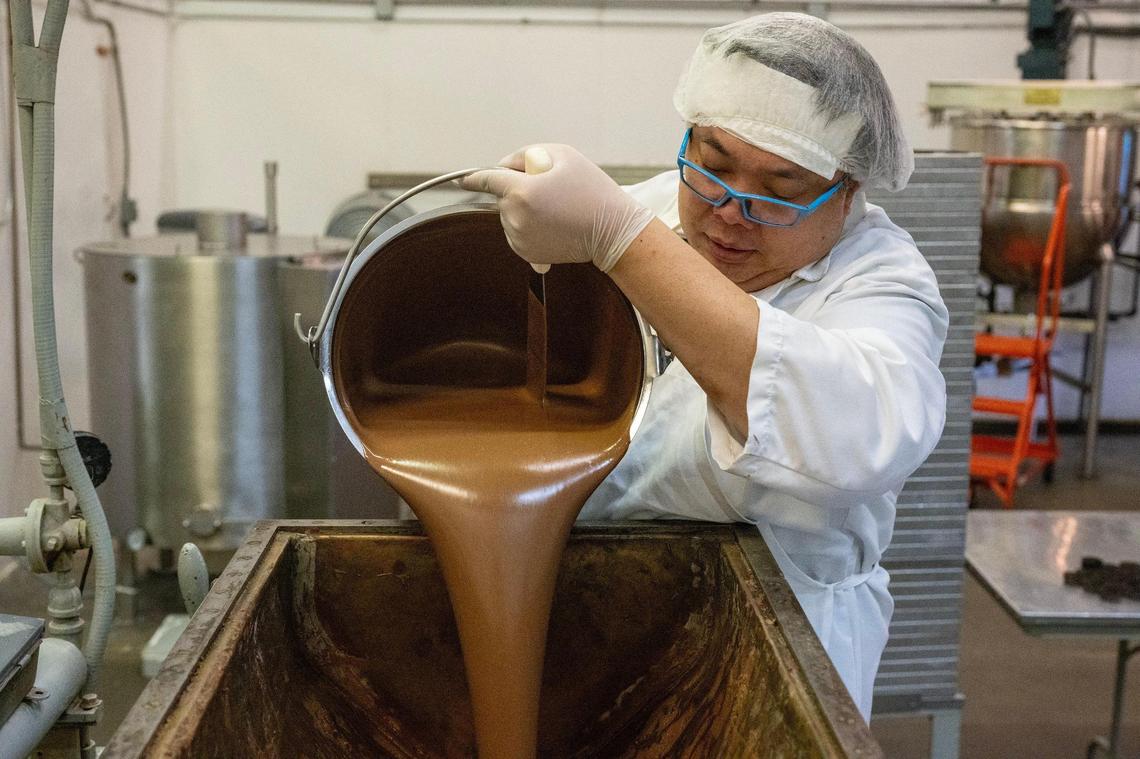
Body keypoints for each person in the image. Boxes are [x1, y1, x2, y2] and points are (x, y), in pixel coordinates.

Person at [460, 12, 948, 720]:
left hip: (785, 635)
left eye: (780, 189)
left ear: (847, 194)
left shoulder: (881, 283)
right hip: (598, 611)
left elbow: (859, 434)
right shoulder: (653, 210)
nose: (728, 212)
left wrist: (621, 242)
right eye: (713, 166)